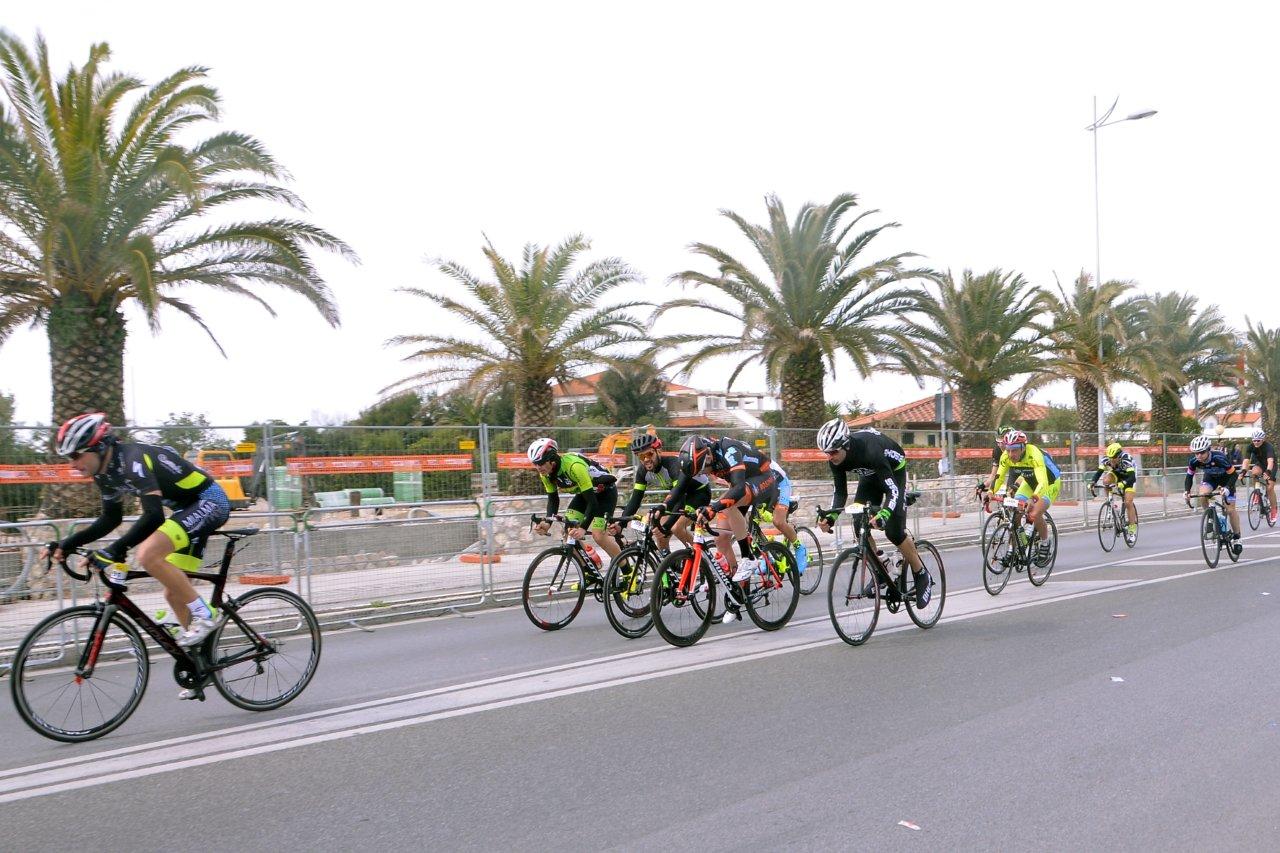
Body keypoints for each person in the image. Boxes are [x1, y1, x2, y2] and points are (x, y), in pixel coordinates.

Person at [45, 413, 231, 654]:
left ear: (99, 447)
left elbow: (154, 516)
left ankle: (206, 614)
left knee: (148, 555)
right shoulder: (104, 474)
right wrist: (67, 543)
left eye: (75, 455)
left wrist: (114, 549)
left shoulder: (133, 459)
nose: (71, 464)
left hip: (210, 502)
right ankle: (200, 665)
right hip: (186, 510)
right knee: (175, 595)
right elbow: (111, 518)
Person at [814, 418, 932, 608]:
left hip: (893, 473)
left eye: (833, 452)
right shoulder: (835, 459)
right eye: (826, 453)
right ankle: (881, 565)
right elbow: (840, 492)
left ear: (845, 444)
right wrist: (831, 516)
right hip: (869, 477)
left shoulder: (870, 450)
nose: (830, 456)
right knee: (858, 522)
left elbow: (892, 491)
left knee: (893, 532)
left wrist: (884, 514)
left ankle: (921, 573)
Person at [665, 435, 780, 622]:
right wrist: (663, 506)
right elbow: (679, 489)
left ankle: (748, 558)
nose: (706, 473)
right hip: (741, 484)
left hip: (763, 477)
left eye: (705, 469)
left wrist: (713, 508)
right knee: (720, 539)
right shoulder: (696, 459)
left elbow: (739, 489)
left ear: (708, 456)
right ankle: (737, 590)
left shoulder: (730, 450)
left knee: (730, 504)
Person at [607, 433, 708, 553]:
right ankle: (668, 568)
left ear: (658, 451)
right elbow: (635, 500)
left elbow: (679, 495)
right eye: (641, 456)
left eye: (649, 454)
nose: (646, 459)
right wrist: (621, 524)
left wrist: (666, 527)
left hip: (698, 494)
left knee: (676, 527)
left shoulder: (672, 464)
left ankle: (702, 557)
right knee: (660, 534)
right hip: (679, 496)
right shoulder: (642, 471)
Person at [529, 437, 621, 565]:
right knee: (569, 532)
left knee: (598, 535)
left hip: (605, 493)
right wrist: (547, 523)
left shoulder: (574, 466)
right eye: (535, 464)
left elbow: (593, 503)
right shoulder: (546, 474)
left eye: (541, 462)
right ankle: (588, 572)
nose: (538, 467)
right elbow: (553, 499)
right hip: (586, 494)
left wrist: (583, 528)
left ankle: (627, 572)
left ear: (552, 460)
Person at [992, 430, 1061, 567]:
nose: (1011, 454)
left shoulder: (1034, 453)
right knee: (1015, 512)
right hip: (1029, 482)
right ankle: (1015, 548)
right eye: (1008, 450)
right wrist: (990, 492)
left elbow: (1042, 482)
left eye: (1015, 450)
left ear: (1023, 447)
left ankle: (1045, 542)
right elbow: (998, 477)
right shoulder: (1006, 456)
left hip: (1049, 483)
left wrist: (1033, 499)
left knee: (1034, 513)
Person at [1185, 435, 1242, 555]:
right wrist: (1187, 492)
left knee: (1230, 510)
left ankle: (1237, 538)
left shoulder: (1219, 457)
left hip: (1227, 479)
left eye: (1201, 452)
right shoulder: (1194, 461)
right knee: (1202, 494)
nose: (1199, 456)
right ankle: (1211, 516)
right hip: (1211, 479)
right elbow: (1189, 477)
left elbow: (1234, 475)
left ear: (1208, 450)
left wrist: (1227, 488)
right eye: (1196, 453)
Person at [1090, 441, 1138, 534]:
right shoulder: (1106, 460)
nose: (1112, 460)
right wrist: (1093, 482)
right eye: (1110, 458)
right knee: (1106, 481)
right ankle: (1110, 503)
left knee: (1128, 502)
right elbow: (1099, 472)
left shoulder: (1126, 459)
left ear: (1119, 456)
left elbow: (1132, 477)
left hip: (1129, 477)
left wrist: (1123, 483)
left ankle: (1132, 528)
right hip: (1117, 474)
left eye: (1114, 458)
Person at [1246, 428, 1277, 524]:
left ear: (1263, 439)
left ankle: (1273, 510)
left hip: (1270, 466)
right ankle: (1256, 492)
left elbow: (1270, 461)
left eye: (1258, 440)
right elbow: (1246, 460)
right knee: (1254, 472)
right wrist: (1243, 470)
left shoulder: (1268, 447)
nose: (1256, 442)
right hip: (1260, 464)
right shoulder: (1250, 446)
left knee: (1270, 488)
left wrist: (1268, 472)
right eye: (1254, 440)